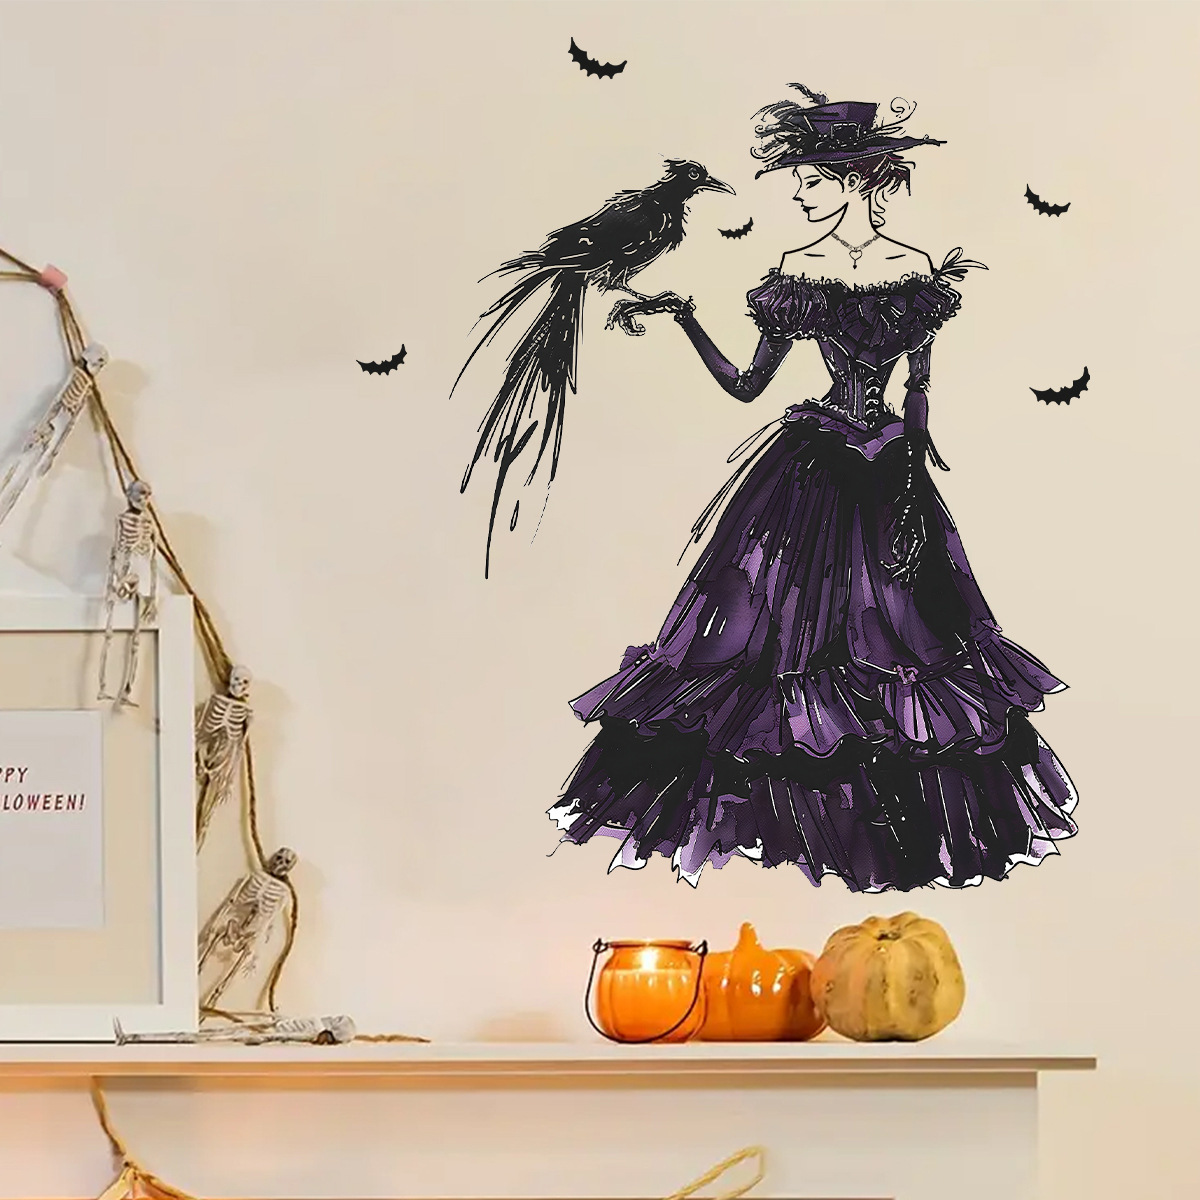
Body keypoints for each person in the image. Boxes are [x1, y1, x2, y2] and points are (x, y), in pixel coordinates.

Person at [547, 86, 1078, 891]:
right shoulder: (799, 267)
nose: (798, 195)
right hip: (814, 472)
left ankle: (886, 837)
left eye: (812, 180)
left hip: (890, 473)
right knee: (775, 645)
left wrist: (912, 478)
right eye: (798, 180)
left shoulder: (912, 269)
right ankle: (801, 826)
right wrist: (685, 318)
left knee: (903, 645)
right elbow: (748, 385)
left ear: (859, 179)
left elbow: (919, 389)